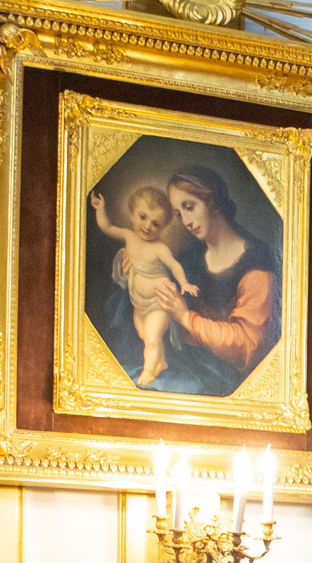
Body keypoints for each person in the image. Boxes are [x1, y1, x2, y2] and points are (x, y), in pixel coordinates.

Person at [138, 166, 283, 396]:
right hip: (182, 363)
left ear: (212, 202)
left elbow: (248, 344)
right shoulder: (189, 258)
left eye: (189, 207)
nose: (186, 221)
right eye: (179, 214)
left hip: (226, 381)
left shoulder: (255, 264)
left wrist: (185, 317)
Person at [88, 185, 200, 387]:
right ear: (131, 216)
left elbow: (174, 265)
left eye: (156, 224)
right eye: (143, 217)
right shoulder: (128, 236)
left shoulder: (159, 248)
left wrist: (184, 283)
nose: (148, 226)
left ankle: (148, 371)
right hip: (139, 304)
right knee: (145, 335)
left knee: (151, 338)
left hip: (158, 303)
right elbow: (106, 227)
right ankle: (161, 362)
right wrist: (100, 209)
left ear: (163, 227)